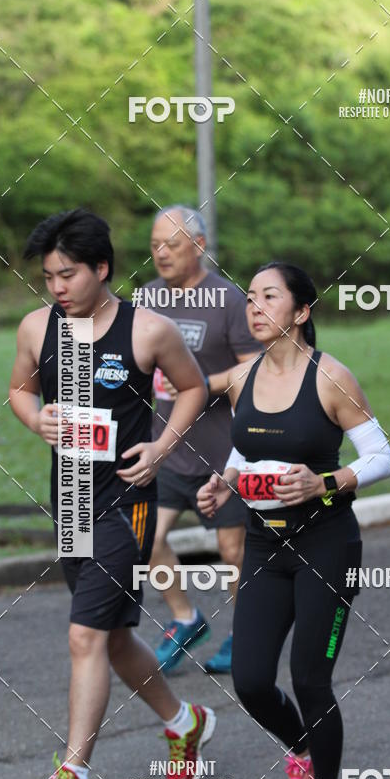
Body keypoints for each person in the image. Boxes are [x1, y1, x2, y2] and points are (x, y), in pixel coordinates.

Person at [10, 209, 215, 779]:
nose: (57, 288)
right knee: (116, 638)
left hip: (125, 503)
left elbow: (195, 387)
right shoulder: (37, 328)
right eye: (48, 277)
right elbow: (20, 389)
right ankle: (187, 722)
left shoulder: (147, 331)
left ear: (101, 269)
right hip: (70, 495)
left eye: (68, 274)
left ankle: (72, 777)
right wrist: (35, 418)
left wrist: (161, 447)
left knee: (84, 636)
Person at [196, 262, 390, 779]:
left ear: (302, 311)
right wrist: (223, 482)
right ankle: (303, 750)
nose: (254, 306)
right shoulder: (242, 378)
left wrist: (322, 484)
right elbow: (246, 454)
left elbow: (381, 459)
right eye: (250, 298)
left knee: (310, 678)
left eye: (269, 297)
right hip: (263, 543)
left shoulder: (331, 378)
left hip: (326, 543)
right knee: (252, 681)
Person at [144, 206, 261, 675]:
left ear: (199, 245)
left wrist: (198, 384)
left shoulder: (229, 299)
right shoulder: (148, 297)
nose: (161, 253)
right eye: (155, 245)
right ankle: (185, 617)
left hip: (222, 454)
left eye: (171, 244)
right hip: (167, 447)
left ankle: (246, 633)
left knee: (234, 553)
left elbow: (252, 368)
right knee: (144, 539)